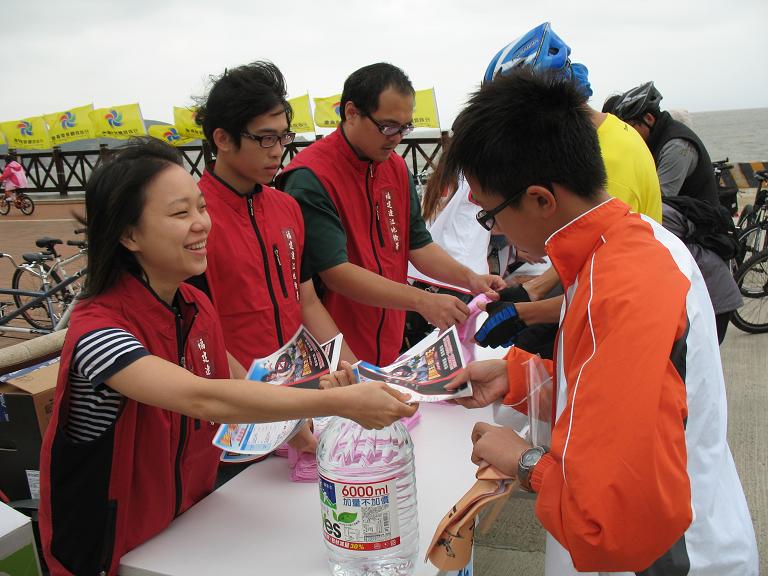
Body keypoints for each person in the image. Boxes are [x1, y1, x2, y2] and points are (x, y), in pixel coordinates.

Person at [38, 139, 417, 576]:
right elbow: (205, 399)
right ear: (129, 234)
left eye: (201, 207)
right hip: (108, 551)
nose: (202, 224)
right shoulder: (98, 331)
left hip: (187, 533)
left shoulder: (194, 307)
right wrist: (336, 403)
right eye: (181, 214)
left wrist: (293, 427)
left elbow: (242, 393)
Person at [443, 70, 758, 575]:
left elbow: (608, 523)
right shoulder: (625, 246)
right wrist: (516, 377)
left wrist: (524, 461)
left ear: (542, 199)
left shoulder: (623, 286)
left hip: (666, 558)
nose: (495, 230)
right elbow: (614, 388)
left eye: (490, 214)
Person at [278, 63, 505, 366]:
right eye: (387, 126)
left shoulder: (394, 167)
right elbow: (336, 273)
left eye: (405, 128)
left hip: (388, 341)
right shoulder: (311, 177)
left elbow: (418, 245)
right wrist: (423, 301)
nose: (397, 138)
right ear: (351, 112)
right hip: (333, 350)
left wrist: (471, 279)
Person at [474, 22, 664, 358]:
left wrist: (528, 305)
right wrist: (532, 292)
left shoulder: (612, 167)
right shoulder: (611, 132)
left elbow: (603, 295)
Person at [608, 81, 720, 206]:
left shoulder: (677, 146)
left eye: (629, 127)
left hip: (698, 219)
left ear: (649, 119)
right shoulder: (653, 139)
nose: (627, 134)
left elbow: (659, 200)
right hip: (679, 211)